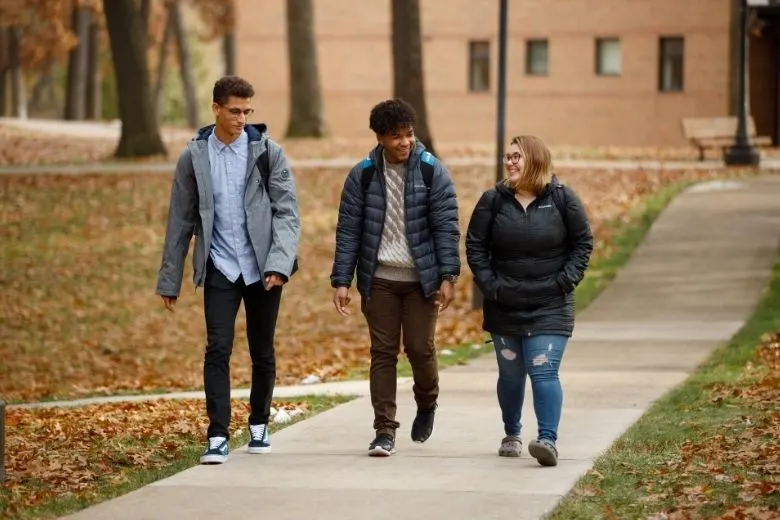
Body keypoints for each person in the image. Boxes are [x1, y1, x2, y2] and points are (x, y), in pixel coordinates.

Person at [156, 76, 300, 465]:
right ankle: (217, 435)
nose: (241, 119)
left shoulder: (268, 152)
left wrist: (279, 264)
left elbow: (288, 213)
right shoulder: (194, 157)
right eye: (235, 111)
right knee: (217, 348)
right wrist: (170, 279)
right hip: (219, 264)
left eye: (247, 112)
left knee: (262, 350)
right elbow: (180, 220)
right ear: (216, 109)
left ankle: (259, 425)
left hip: (263, 267)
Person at [330, 98, 461, 457]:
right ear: (380, 138)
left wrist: (448, 275)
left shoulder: (433, 171)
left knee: (420, 348)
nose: (404, 142)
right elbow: (349, 231)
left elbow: (446, 227)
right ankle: (384, 429)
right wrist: (342, 280)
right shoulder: (364, 175)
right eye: (396, 137)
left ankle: (427, 402)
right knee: (383, 354)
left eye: (409, 135)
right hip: (380, 280)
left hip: (422, 280)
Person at [465, 135, 593, 467]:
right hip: (504, 302)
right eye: (507, 157)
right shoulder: (493, 200)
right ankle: (512, 431)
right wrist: (490, 286)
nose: (509, 162)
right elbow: (475, 246)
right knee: (510, 375)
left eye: (516, 157)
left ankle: (547, 439)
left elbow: (583, 243)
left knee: (543, 370)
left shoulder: (563, 199)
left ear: (534, 160)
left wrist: (564, 281)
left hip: (551, 303)